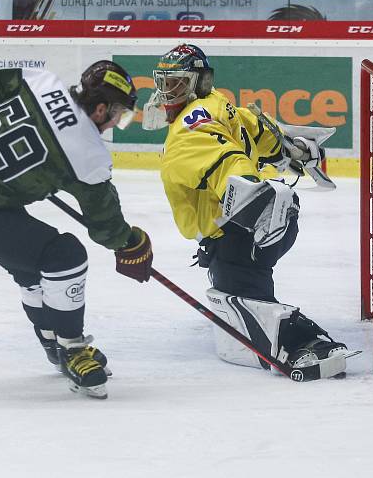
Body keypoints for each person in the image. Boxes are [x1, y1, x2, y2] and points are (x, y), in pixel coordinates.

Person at [0, 61, 153, 399]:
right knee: (66, 255)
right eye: (118, 115)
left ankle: (51, 338)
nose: (115, 123)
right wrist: (131, 242)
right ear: (100, 109)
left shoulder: (39, 81)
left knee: (31, 263)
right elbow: (105, 225)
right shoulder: (88, 154)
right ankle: (71, 347)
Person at [142, 44, 351, 378]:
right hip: (265, 217)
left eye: (177, 84)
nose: (167, 93)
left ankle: (306, 344)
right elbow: (256, 129)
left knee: (238, 302)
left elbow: (225, 162)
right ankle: (245, 275)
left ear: (199, 82)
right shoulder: (219, 103)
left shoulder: (187, 130)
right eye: (163, 83)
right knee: (227, 280)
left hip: (249, 224)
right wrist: (289, 149)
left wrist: (255, 204)